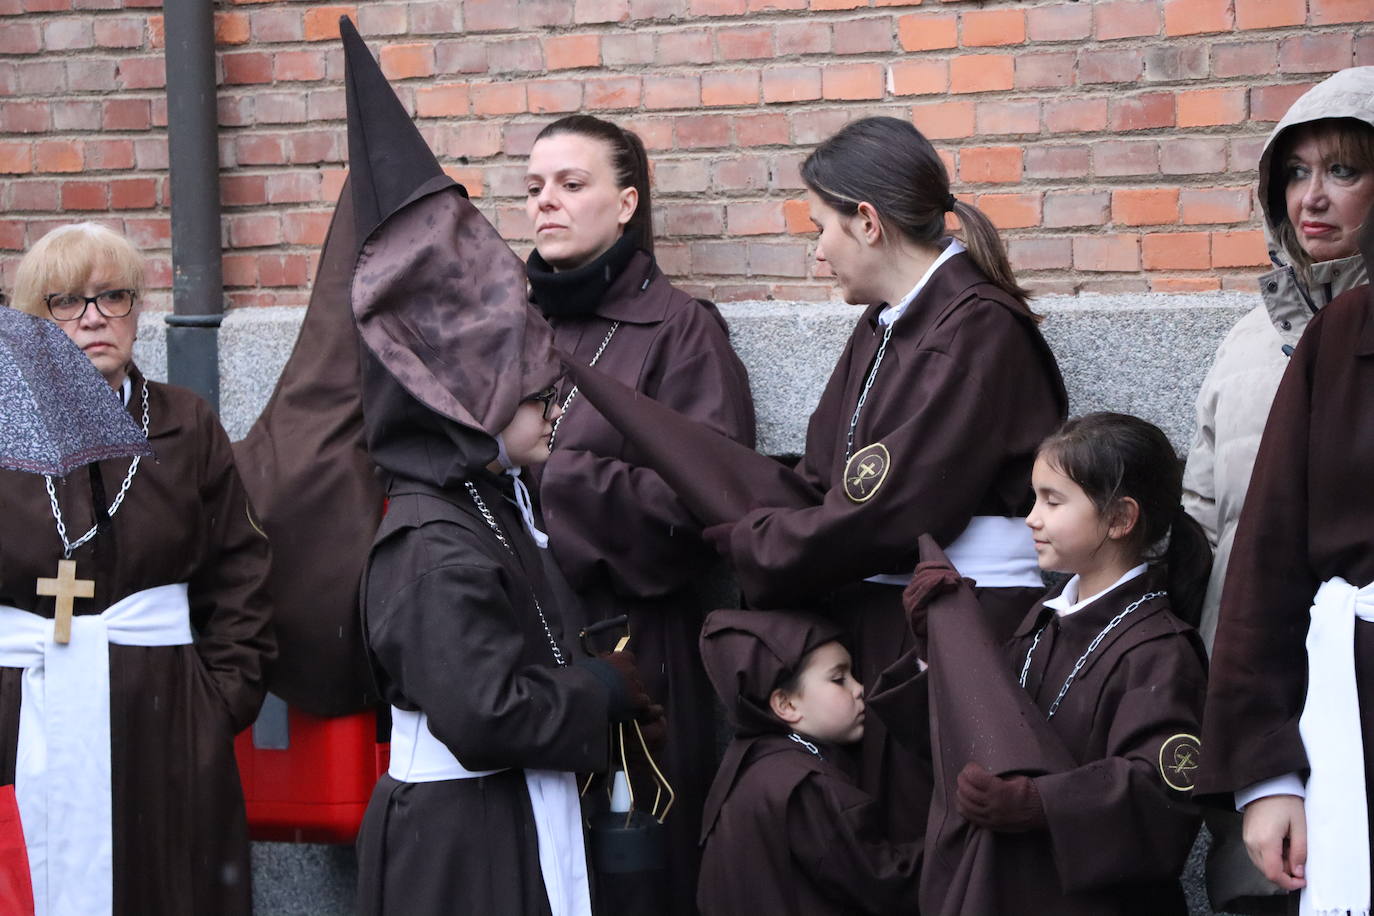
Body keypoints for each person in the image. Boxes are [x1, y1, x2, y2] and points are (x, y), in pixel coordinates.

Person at [340, 26, 661, 916]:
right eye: (532, 395)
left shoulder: (484, 503)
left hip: (502, 819)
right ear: (471, 410)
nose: (551, 411)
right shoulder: (434, 545)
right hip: (461, 846)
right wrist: (599, 689)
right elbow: (484, 715)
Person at [707, 115, 1067, 837]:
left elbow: (893, 510)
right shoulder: (882, 326)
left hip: (959, 625)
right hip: (885, 619)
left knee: (935, 836)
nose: (816, 254)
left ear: (867, 222)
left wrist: (758, 546)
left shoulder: (978, 330)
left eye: (820, 228)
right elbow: (823, 472)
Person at [0, 222, 276, 914]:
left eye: (112, 297)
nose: (94, 318)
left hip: (164, 713)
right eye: (66, 302)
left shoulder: (186, 423)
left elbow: (239, 573)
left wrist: (216, 705)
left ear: (136, 311)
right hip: (21, 711)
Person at [524, 114, 756, 910]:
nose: (545, 202)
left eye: (570, 183)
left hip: (634, 655)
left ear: (626, 204)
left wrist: (551, 474)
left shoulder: (683, 332)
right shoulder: (509, 326)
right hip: (518, 653)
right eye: (534, 187)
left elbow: (701, 509)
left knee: (632, 882)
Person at [1181, 64, 1374, 913]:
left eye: (1343, 170)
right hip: (1254, 692)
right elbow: (1206, 519)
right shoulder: (1244, 341)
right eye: (1296, 173)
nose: (1314, 198)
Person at [901, 413, 1209, 914]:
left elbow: (1161, 787)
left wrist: (1040, 803)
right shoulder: (1040, 622)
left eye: (1053, 500)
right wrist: (934, 649)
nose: (1032, 517)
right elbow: (984, 726)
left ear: (1119, 519)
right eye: (1035, 497)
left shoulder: (1160, 650)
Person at [696, 609, 921, 916]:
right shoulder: (805, 784)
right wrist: (954, 840)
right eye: (839, 678)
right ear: (787, 705)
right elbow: (882, 880)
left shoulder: (753, 759)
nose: (859, 689)